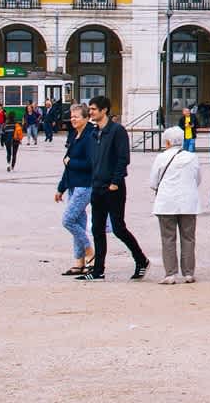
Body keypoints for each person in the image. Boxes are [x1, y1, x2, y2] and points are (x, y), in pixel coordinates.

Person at [83, 94, 151, 281]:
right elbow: (93, 160)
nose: (91, 112)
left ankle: (141, 259)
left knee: (119, 228)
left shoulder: (117, 131)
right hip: (97, 187)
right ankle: (98, 271)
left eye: (94, 109)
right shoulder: (94, 133)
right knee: (97, 229)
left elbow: (123, 158)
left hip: (113, 188)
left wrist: (115, 182)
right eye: (90, 109)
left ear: (104, 110)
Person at [148, 126, 201, 285]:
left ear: (168, 142)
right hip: (188, 202)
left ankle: (170, 273)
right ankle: (188, 273)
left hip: (166, 202)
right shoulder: (192, 157)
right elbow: (198, 179)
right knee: (189, 238)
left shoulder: (161, 158)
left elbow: (153, 181)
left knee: (168, 238)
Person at [54, 103, 95, 275]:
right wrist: (61, 188)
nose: (73, 119)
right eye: (72, 116)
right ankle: (79, 263)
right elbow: (67, 164)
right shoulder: (74, 136)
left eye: (76, 116)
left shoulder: (90, 136)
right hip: (72, 185)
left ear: (86, 118)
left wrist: (71, 162)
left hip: (84, 185)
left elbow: (91, 164)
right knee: (78, 222)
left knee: (68, 220)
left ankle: (90, 252)